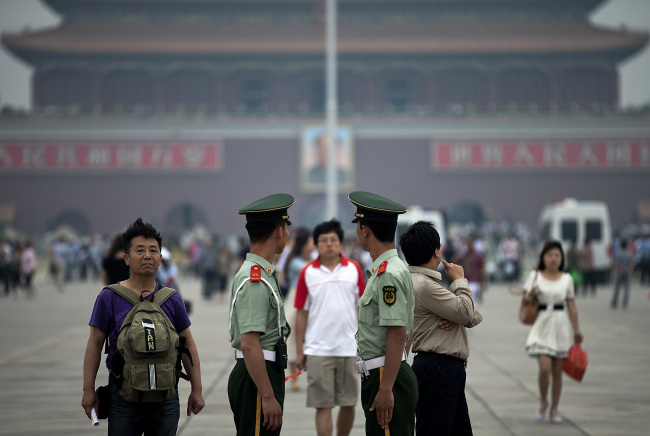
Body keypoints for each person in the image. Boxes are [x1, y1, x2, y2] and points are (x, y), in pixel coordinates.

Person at [81, 218, 204, 434]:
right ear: (126, 258)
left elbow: (189, 346)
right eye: (140, 250)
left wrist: (197, 389)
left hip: (166, 400)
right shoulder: (109, 297)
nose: (147, 256)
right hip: (123, 399)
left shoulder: (172, 299)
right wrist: (88, 390)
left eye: (153, 250)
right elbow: (94, 345)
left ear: (160, 257)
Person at [399, 221, 483, 436]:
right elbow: (468, 314)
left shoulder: (415, 280)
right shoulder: (426, 286)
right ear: (437, 251)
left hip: (440, 369)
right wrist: (460, 280)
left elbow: (470, 315)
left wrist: (458, 315)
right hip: (438, 370)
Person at [348, 191, 418, 435]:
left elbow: (398, 332)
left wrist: (386, 387)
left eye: (358, 226)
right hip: (384, 374)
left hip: (385, 377)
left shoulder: (387, 273)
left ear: (364, 230)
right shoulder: (390, 268)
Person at [227, 193, 294, 435]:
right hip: (257, 377)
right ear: (279, 231)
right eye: (286, 228)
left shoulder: (262, 274)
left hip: (263, 373)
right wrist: (267, 395)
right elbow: (249, 343)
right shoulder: (256, 279)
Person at [294, 219, 365, 436]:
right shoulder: (307, 273)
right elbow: (301, 314)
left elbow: (364, 308)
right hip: (318, 350)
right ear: (316, 245)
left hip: (349, 349)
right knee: (322, 405)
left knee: (348, 403)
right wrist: (299, 351)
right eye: (323, 240)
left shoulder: (354, 269)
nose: (329, 244)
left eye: (333, 240)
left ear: (341, 243)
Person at [523, 240, 583, 424]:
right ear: (543, 257)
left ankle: (555, 409)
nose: (553, 258)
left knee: (557, 372)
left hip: (561, 326)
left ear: (561, 258)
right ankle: (543, 402)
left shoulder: (567, 279)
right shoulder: (535, 276)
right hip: (542, 324)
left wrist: (577, 330)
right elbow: (525, 299)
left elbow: (571, 306)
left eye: (557, 255)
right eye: (549, 255)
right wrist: (530, 294)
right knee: (544, 368)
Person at [282, 227, 314, 391]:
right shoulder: (295, 262)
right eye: (311, 241)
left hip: (311, 298)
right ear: (303, 244)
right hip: (296, 299)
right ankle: (294, 375)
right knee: (293, 336)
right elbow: (310, 271)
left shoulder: (313, 259)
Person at [456, 234, 488, 303]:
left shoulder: (479, 255)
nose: (469, 245)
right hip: (466, 281)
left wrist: (484, 282)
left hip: (475, 282)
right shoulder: (464, 255)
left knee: (473, 303)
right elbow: (456, 261)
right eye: (468, 243)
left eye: (470, 243)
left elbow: (483, 269)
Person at [610, 239, 636, 309]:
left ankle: (614, 303)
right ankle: (624, 303)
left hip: (619, 272)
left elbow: (616, 263)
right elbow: (632, 263)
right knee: (626, 289)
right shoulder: (630, 253)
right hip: (628, 273)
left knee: (617, 288)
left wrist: (622, 269)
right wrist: (628, 269)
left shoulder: (618, 253)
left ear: (621, 245)